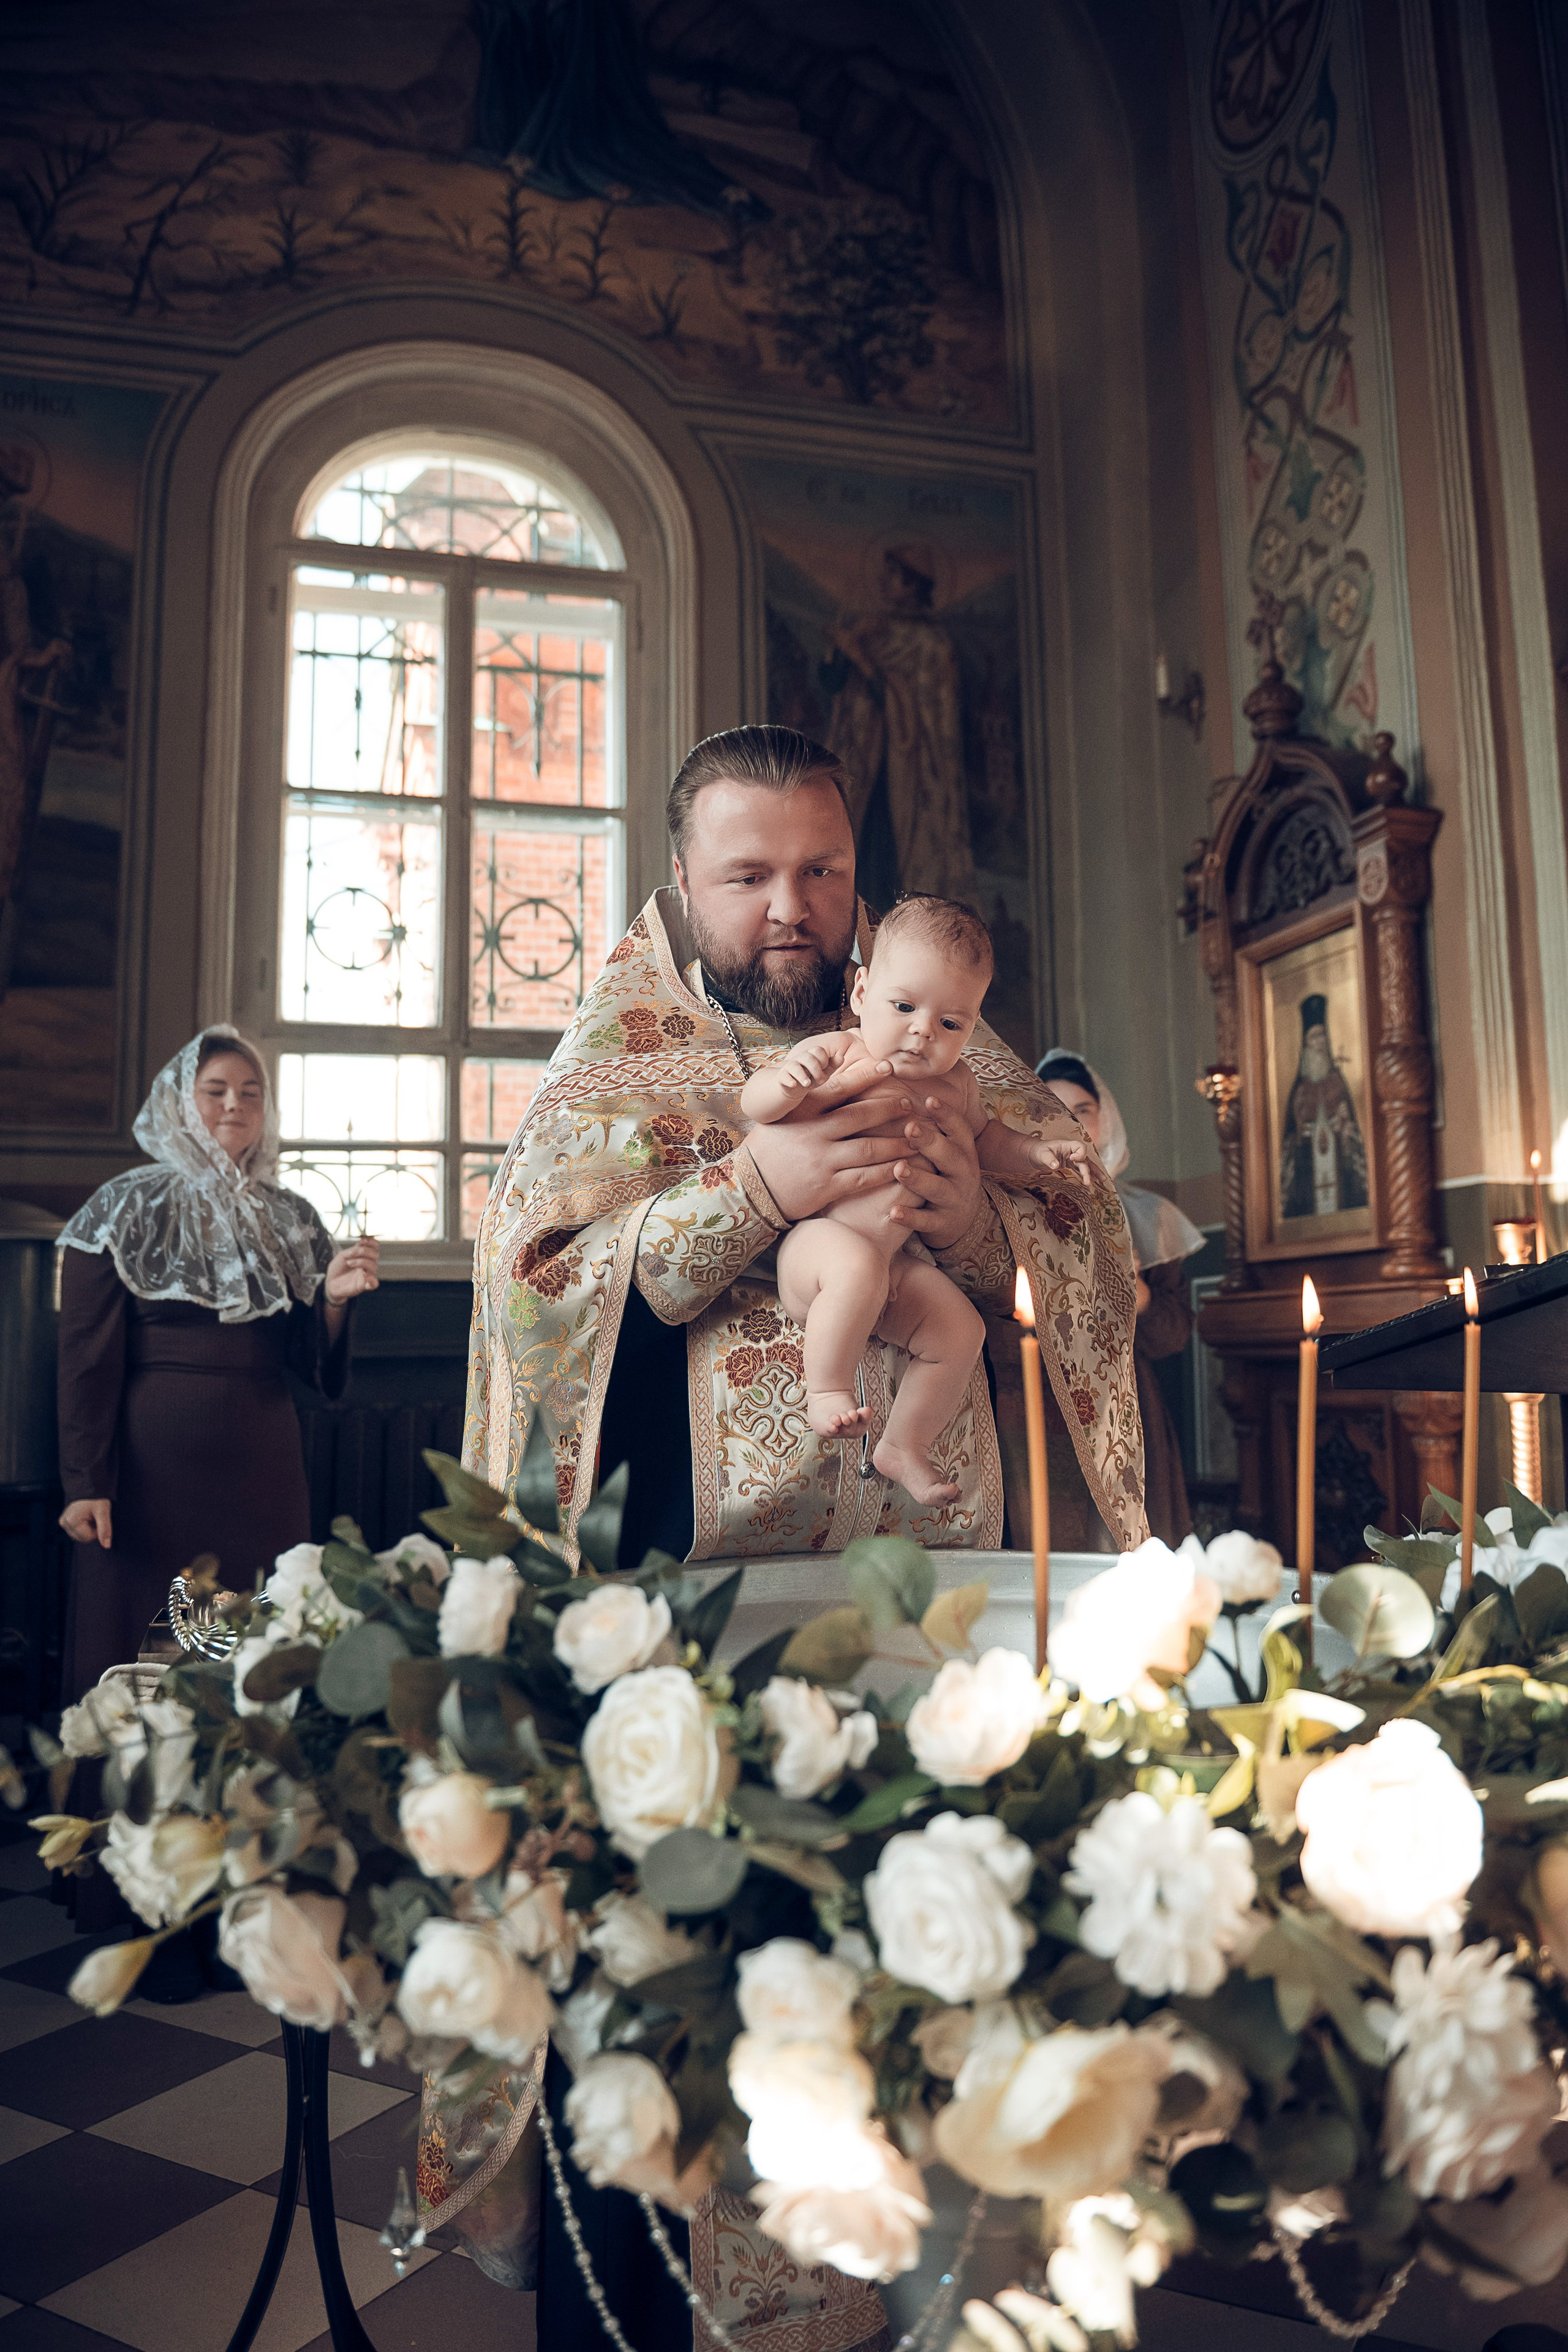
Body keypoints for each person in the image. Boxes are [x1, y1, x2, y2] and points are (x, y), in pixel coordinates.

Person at [462, 726, 1146, 2350]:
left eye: (821, 871)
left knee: (942, 1997)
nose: (791, 909)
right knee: (687, 2021)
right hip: (686, 1646)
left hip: (942, 1631)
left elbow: (1094, 1280)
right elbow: (530, 1301)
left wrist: (977, 1213)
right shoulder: (612, 1061)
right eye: (750, 875)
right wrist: (753, 1187)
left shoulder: (948, 1038)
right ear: (679, 883)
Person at [56, 1026, 380, 1703]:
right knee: (147, 1643)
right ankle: (135, 1797)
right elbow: (86, 1360)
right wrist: (87, 1481)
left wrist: (335, 1301)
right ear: (182, 1103)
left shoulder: (293, 1218)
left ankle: (242, 1797)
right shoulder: (121, 1209)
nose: (234, 1104)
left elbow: (309, 1364)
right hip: (151, 1473)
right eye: (216, 1091)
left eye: (250, 1092)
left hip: (262, 1462)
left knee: (256, 1636)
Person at [741, 894, 1088, 1500]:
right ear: (860, 994)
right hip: (816, 1252)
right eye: (903, 1006)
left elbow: (986, 1140)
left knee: (957, 1331)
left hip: (890, 1264)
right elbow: (756, 1106)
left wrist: (1035, 1154)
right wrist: (783, 1085)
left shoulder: (957, 1084)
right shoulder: (839, 1053)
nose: (923, 1030)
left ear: (971, 1027)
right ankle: (825, 1388)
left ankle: (904, 1445)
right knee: (853, 1267)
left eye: (950, 1023)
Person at [1036, 1050, 1205, 1545]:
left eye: (1082, 1109)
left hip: (1132, 1402)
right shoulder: (1016, 1208)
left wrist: (1140, 1293)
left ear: (1104, 1117)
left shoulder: (1150, 1217)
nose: (1069, 1121)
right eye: (1050, 1107)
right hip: (1045, 1402)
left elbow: (1174, 1335)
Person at [1280, 992, 1367, 1218]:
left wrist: (1345, 1127)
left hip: (1339, 1166)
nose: (1320, 1043)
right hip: (1308, 1172)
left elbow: (1353, 1131)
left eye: (1323, 1036)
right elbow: (1289, 1139)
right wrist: (1299, 1134)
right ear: (1306, 1044)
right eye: (1314, 1037)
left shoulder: (1338, 1082)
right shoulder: (1298, 1091)